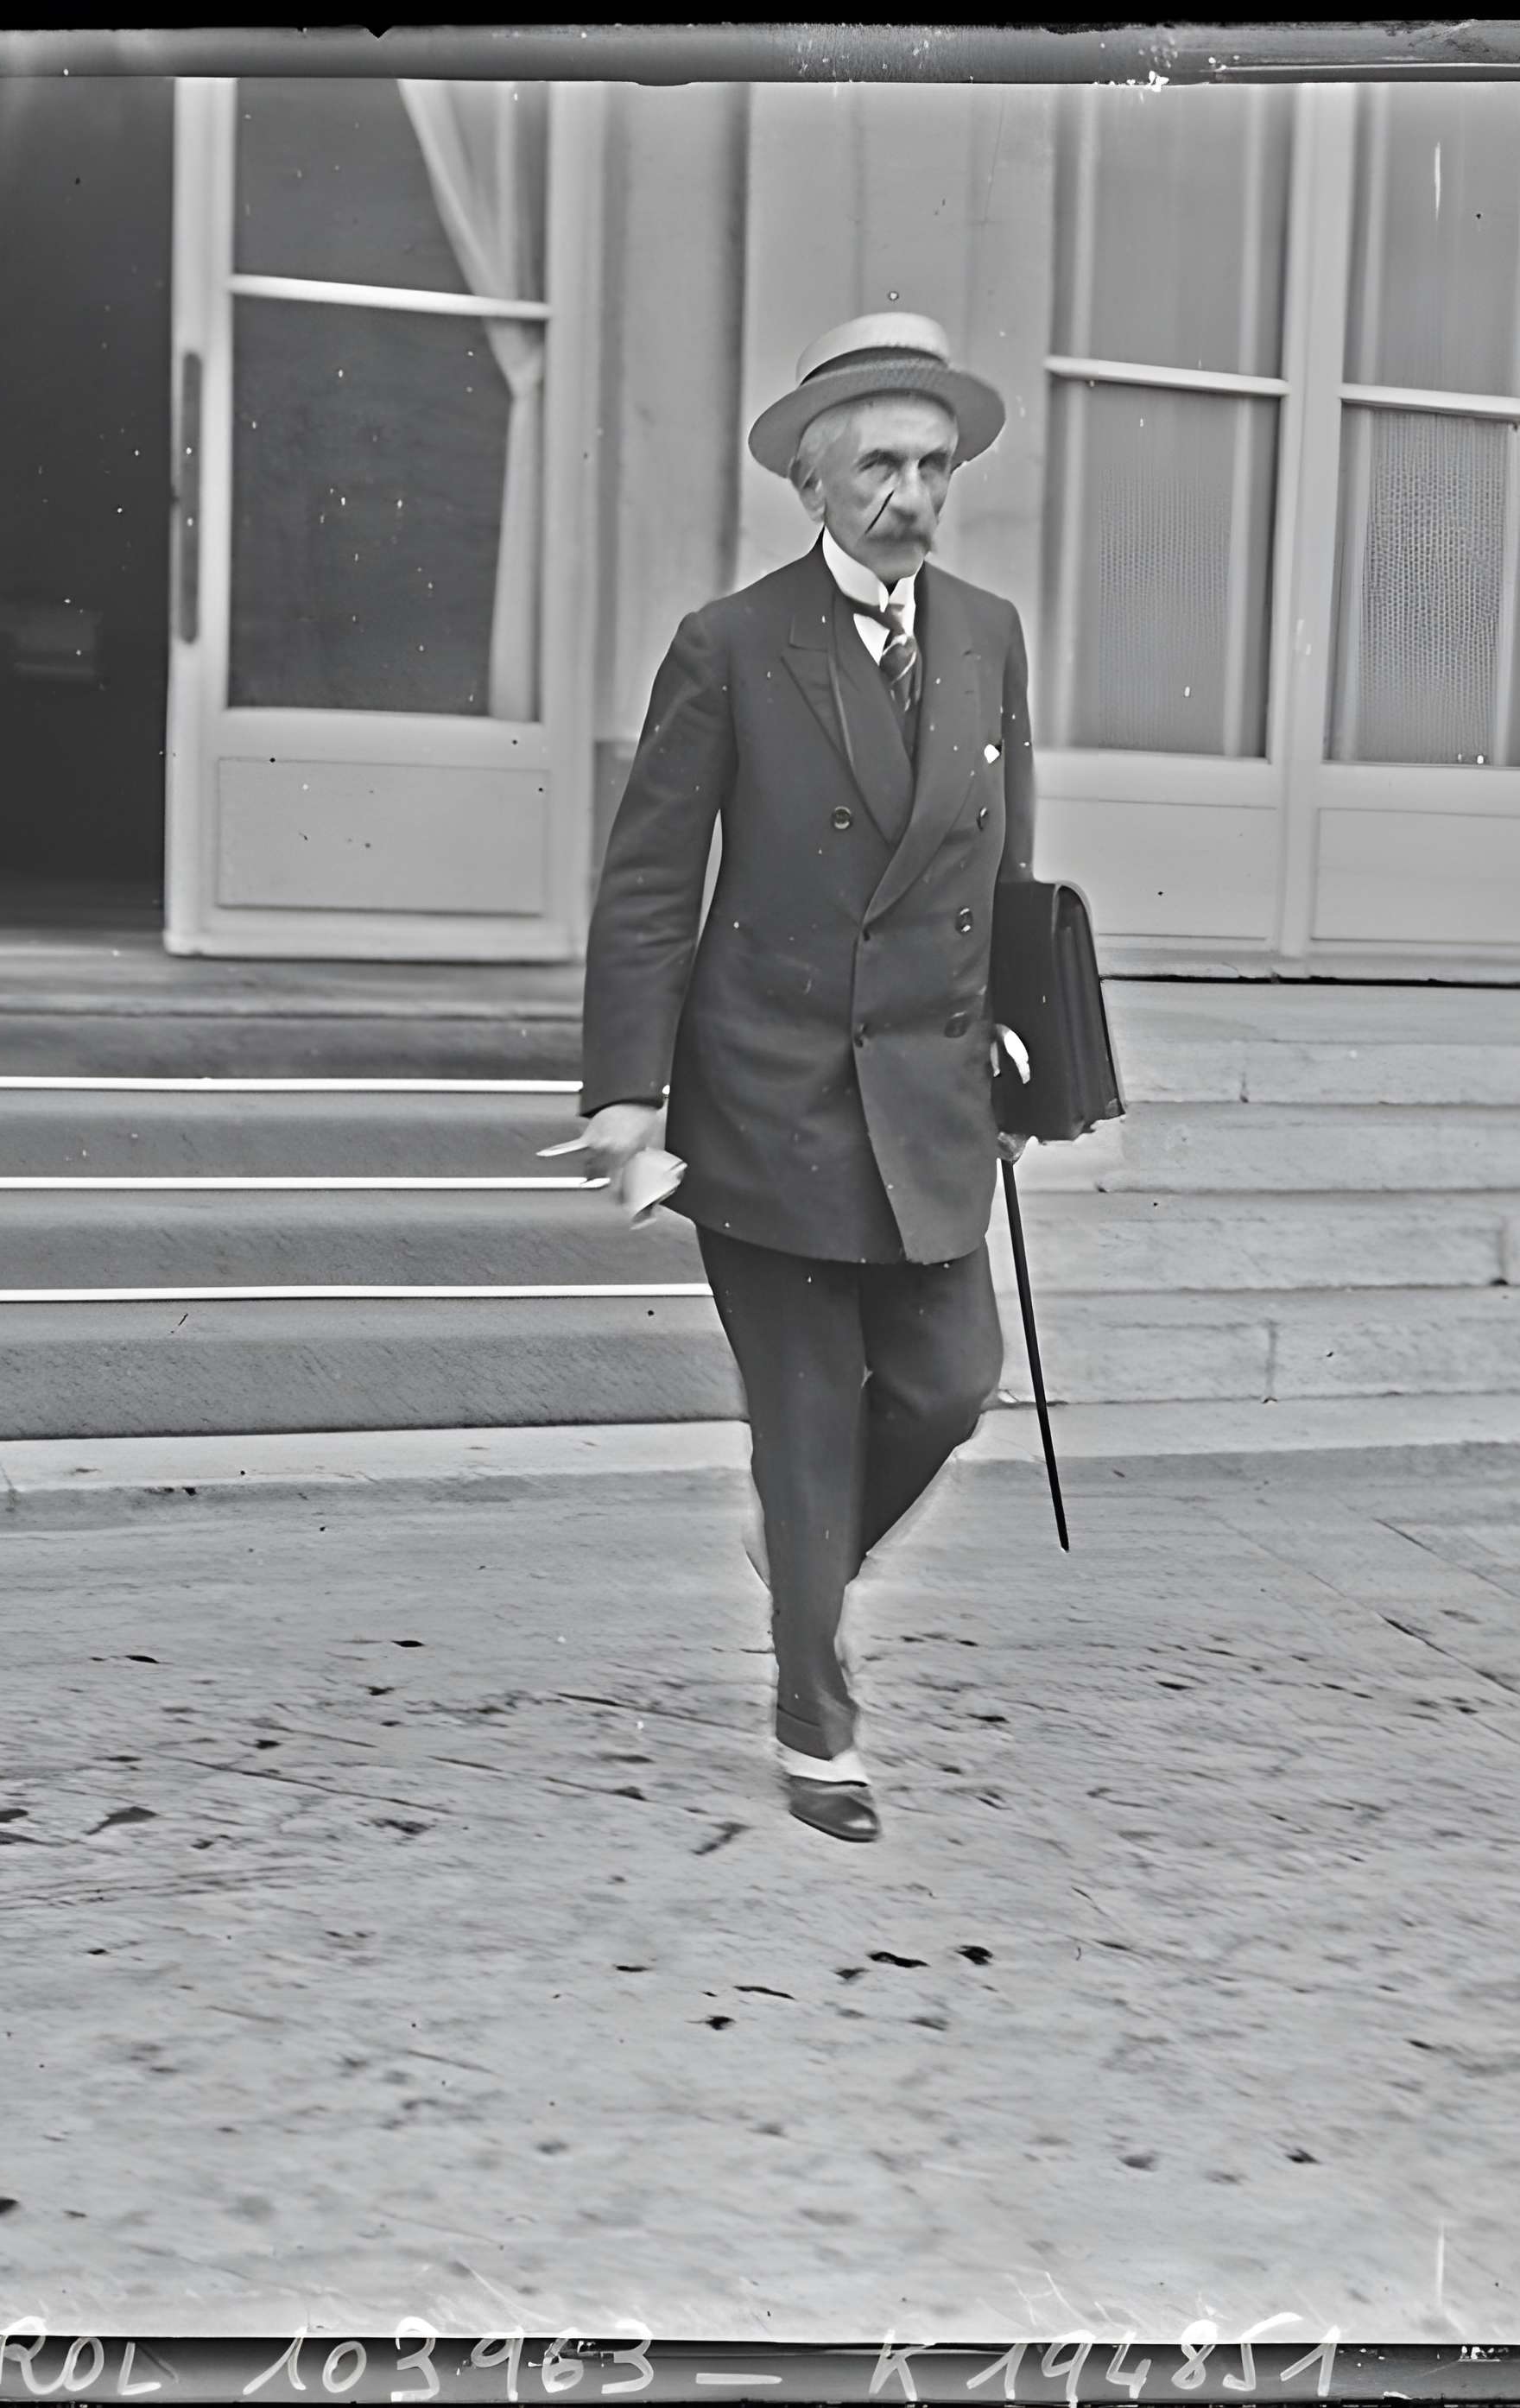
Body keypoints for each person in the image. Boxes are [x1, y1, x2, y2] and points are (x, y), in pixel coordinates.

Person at [571, 314, 1038, 1845]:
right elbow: (651, 883)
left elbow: (998, 865)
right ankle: (816, 1723)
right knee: (804, 1425)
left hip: (926, 1099)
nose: (911, 495)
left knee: (952, 1381)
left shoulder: (986, 633)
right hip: (765, 1094)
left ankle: (807, 1561)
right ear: (814, 482)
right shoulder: (730, 643)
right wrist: (628, 1096)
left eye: (934, 464)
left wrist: (1020, 1034)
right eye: (880, 466)